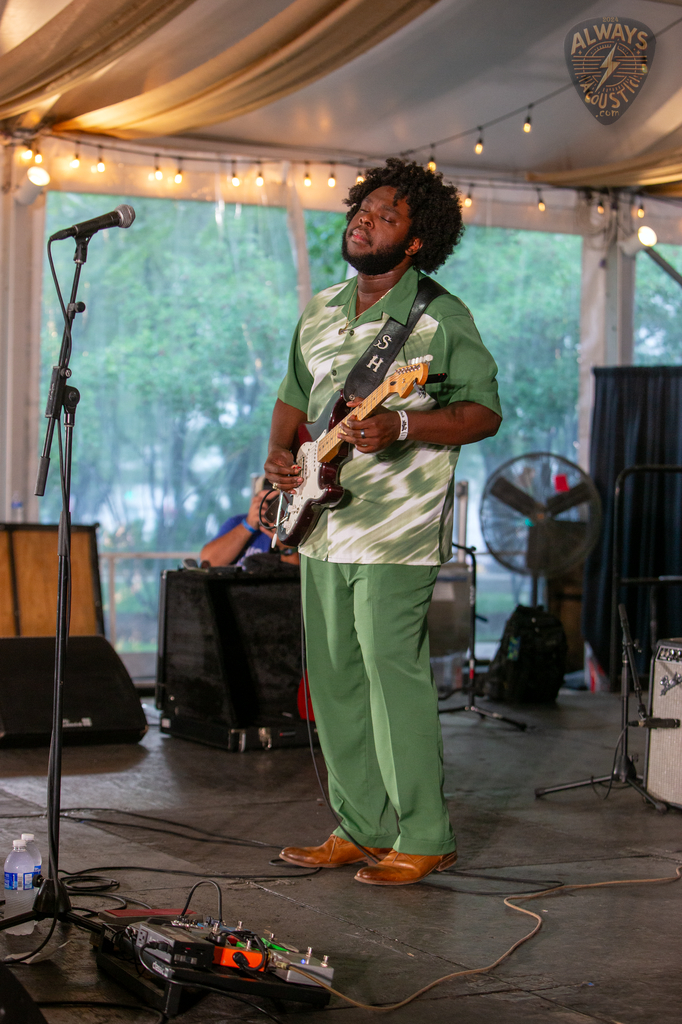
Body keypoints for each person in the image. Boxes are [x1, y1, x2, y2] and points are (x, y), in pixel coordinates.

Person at [264, 158, 502, 886]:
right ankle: (362, 827)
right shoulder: (322, 308)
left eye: (386, 215)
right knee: (334, 678)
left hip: (398, 528)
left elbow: (482, 413)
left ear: (416, 240)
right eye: (362, 209)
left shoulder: (440, 317)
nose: (365, 220)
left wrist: (403, 423)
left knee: (392, 676)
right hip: (321, 523)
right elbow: (294, 398)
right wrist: (279, 458)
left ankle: (426, 835)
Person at [200, 482, 299, 568]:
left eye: (274, 501)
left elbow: (299, 571)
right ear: (255, 500)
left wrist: (284, 543)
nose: (268, 507)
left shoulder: (291, 524)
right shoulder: (237, 522)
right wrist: (248, 525)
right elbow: (207, 561)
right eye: (263, 500)